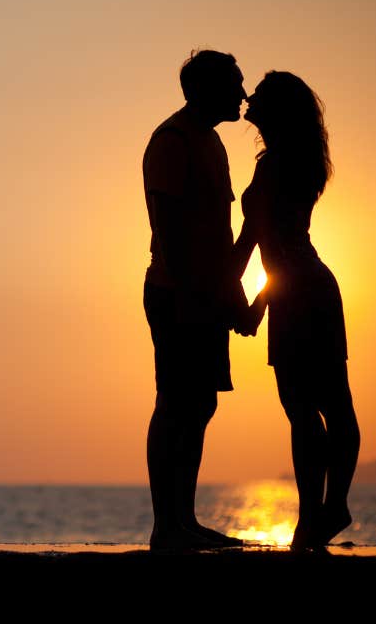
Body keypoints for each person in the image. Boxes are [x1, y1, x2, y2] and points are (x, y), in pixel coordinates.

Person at [231, 71, 361, 551]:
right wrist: (250, 299)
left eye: (260, 95)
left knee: (308, 409)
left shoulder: (276, 166)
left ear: (280, 108)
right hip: (307, 288)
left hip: (298, 291)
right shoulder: (297, 162)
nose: (250, 98)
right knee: (325, 405)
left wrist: (248, 300)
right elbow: (267, 242)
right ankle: (327, 510)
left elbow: (263, 244)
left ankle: (317, 516)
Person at [141, 49, 248, 550]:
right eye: (234, 84)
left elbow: (221, 233)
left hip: (206, 296)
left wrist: (231, 296)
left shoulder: (213, 144)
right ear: (205, 89)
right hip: (173, 292)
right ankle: (167, 526)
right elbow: (167, 229)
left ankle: (185, 519)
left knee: (200, 404)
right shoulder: (173, 140)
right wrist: (187, 295)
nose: (243, 94)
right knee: (174, 404)